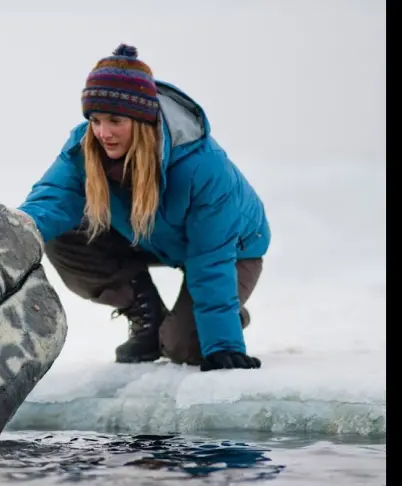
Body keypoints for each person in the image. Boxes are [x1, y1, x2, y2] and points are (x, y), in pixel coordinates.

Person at [16, 43, 270, 372]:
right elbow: (54, 197)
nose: (103, 133)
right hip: (152, 235)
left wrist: (223, 344)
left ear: (142, 121)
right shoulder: (87, 145)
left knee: (183, 346)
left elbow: (211, 259)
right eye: (94, 120)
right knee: (63, 233)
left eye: (115, 120)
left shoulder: (202, 166)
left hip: (232, 249)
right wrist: (17, 228)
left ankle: (222, 317)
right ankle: (146, 316)